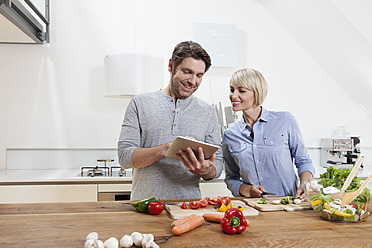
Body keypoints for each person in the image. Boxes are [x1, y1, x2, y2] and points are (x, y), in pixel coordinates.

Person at [118, 41, 223, 200]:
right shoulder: (140, 103)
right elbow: (125, 157)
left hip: (189, 208)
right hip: (144, 206)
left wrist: (205, 170)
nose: (193, 81)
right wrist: (168, 148)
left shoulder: (207, 111)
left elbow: (218, 165)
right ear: (171, 66)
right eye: (187, 72)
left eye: (199, 75)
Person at [223, 68, 315, 199]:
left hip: (287, 204)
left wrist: (305, 184)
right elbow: (231, 178)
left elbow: (304, 161)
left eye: (241, 91)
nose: (233, 95)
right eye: (232, 90)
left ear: (257, 93)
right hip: (254, 207)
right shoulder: (230, 134)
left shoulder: (285, 121)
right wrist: (249, 190)